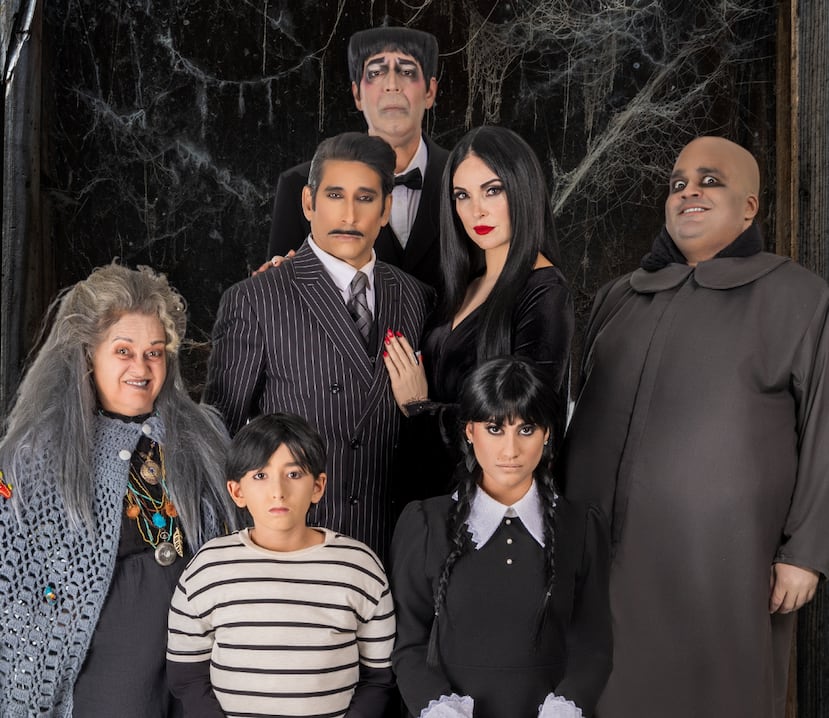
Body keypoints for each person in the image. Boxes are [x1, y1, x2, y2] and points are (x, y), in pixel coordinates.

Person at [560, 136, 829, 718]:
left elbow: (824, 428)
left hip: (724, 563)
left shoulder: (800, 298)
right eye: (678, 183)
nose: (689, 192)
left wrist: (805, 552)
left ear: (749, 207)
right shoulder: (617, 297)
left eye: (710, 181)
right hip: (604, 559)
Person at [0, 263, 240, 717]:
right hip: (110, 663)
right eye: (124, 351)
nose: (141, 368)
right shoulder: (39, 453)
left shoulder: (202, 437)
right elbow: (18, 586)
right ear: (88, 355)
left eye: (154, 352)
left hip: (201, 655)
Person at [205, 132, 433, 558]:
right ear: (309, 203)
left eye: (365, 198)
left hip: (392, 548)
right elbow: (220, 440)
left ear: (385, 210)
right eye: (334, 195)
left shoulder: (416, 297)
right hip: (293, 552)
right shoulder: (256, 299)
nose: (349, 214)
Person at [390, 356, 612, 718]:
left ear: (547, 433)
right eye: (495, 428)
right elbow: (408, 644)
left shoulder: (581, 525)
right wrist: (440, 708)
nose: (511, 451)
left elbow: (595, 645)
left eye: (526, 429)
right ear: (469, 431)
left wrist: (566, 707)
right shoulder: (426, 523)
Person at [383, 125, 574, 500]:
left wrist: (419, 408)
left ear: (522, 188)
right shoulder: (467, 285)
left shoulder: (545, 292)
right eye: (462, 195)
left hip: (485, 507)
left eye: (492, 190)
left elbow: (519, 424)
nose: (476, 210)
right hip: (425, 497)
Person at [167, 412, 396, 718]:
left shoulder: (359, 567)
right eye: (260, 476)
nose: (278, 491)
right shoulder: (207, 569)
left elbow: (379, 678)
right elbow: (186, 676)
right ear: (237, 491)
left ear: (318, 486)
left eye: (294, 474)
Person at [264, 27, 448, 289]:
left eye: (407, 72)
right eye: (376, 72)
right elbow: (281, 292)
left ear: (430, 91)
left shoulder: (465, 180)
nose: (392, 84)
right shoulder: (298, 184)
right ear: (357, 94)